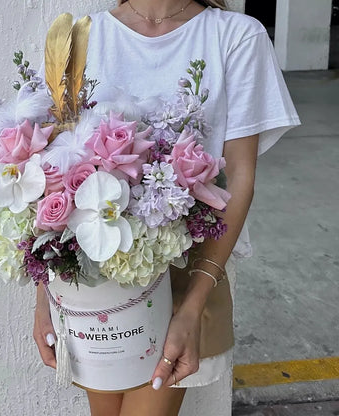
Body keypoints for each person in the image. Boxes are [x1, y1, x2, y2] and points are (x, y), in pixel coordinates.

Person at [33, 1, 301, 415]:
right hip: (88, 278)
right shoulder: (86, 35)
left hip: (186, 271)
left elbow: (241, 177)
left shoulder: (236, 36)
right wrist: (45, 297)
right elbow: (51, 174)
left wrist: (193, 305)